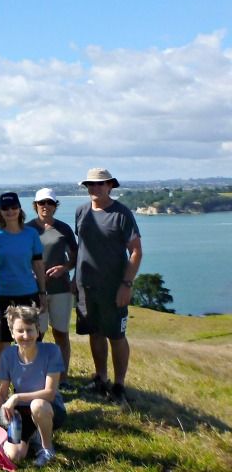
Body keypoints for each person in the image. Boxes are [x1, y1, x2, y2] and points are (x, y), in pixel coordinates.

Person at [75, 168, 142, 406]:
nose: (95, 188)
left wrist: (126, 284)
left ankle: (119, 385)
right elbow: (82, 247)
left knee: (116, 335)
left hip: (113, 287)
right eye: (91, 185)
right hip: (86, 287)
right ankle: (101, 378)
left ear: (110, 186)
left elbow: (135, 251)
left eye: (100, 184)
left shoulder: (121, 214)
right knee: (95, 332)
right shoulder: (81, 211)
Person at [0, 305, 66, 467]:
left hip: (50, 409)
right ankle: (34, 436)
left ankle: (47, 449)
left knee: (38, 405)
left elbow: (49, 393)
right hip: (22, 413)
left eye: (30, 330)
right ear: (12, 333)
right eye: (20, 331)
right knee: (15, 456)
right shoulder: (8, 355)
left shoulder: (52, 351)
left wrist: (17, 397)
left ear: (38, 331)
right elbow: (2, 391)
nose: (25, 335)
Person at [0, 192, 47, 358]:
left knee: (32, 338)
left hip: (28, 292)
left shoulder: (31, 234)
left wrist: (42, 293)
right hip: (2, 293)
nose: (10, 211)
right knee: (2, 340)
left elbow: (38, 265)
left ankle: (32, 377)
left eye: (13, 207)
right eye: (5, 208)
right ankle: (2, 380)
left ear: (19, 209)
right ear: (0, 211)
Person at [26, 188, 78, 388]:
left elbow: (75, 257)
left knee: (61, 333)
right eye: (41, 203)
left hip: (61, 288)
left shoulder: (64, 229)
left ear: (55, 206)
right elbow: (21, 255)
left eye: (50, 203)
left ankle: (62, 379)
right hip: (33, 290)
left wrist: (65, 267)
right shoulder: (27, 229)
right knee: (36, 334)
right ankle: (36, 377)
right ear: (35, 205)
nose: (45, 206)